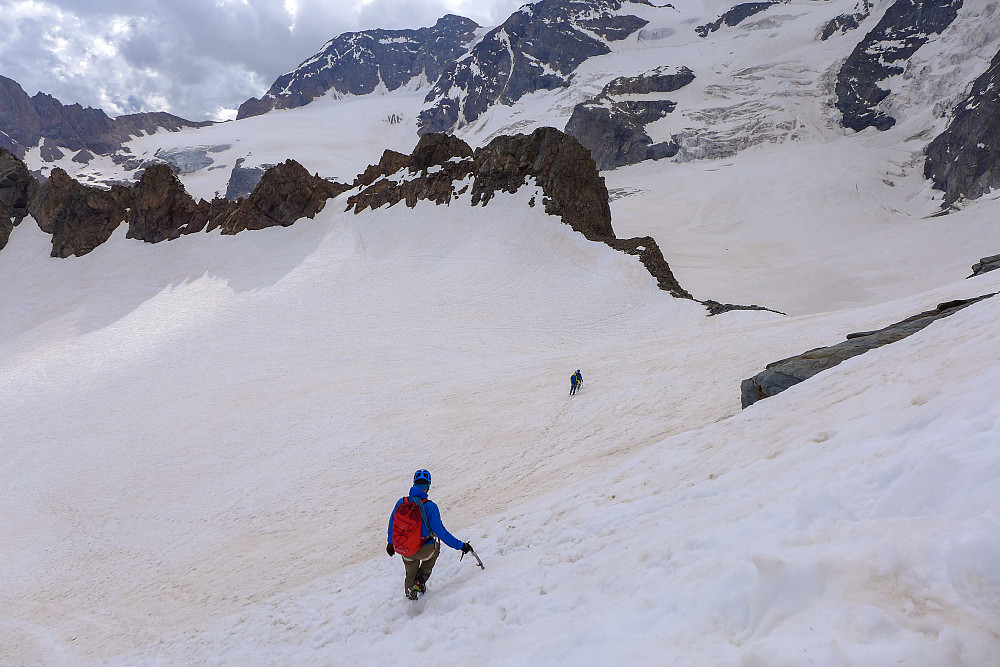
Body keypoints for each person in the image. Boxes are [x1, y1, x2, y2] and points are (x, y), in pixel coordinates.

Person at [386, 469, 472, 600]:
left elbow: (392, 524)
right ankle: (421, 580)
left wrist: (390, 543)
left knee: (410, 573)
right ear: (428, 486)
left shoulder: (401, 502)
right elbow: (442, 533)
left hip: (404, 548)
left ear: (414, 483)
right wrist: (461, 546)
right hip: (423, 549)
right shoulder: (430, 507)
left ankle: (410, 599)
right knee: (435, 549)